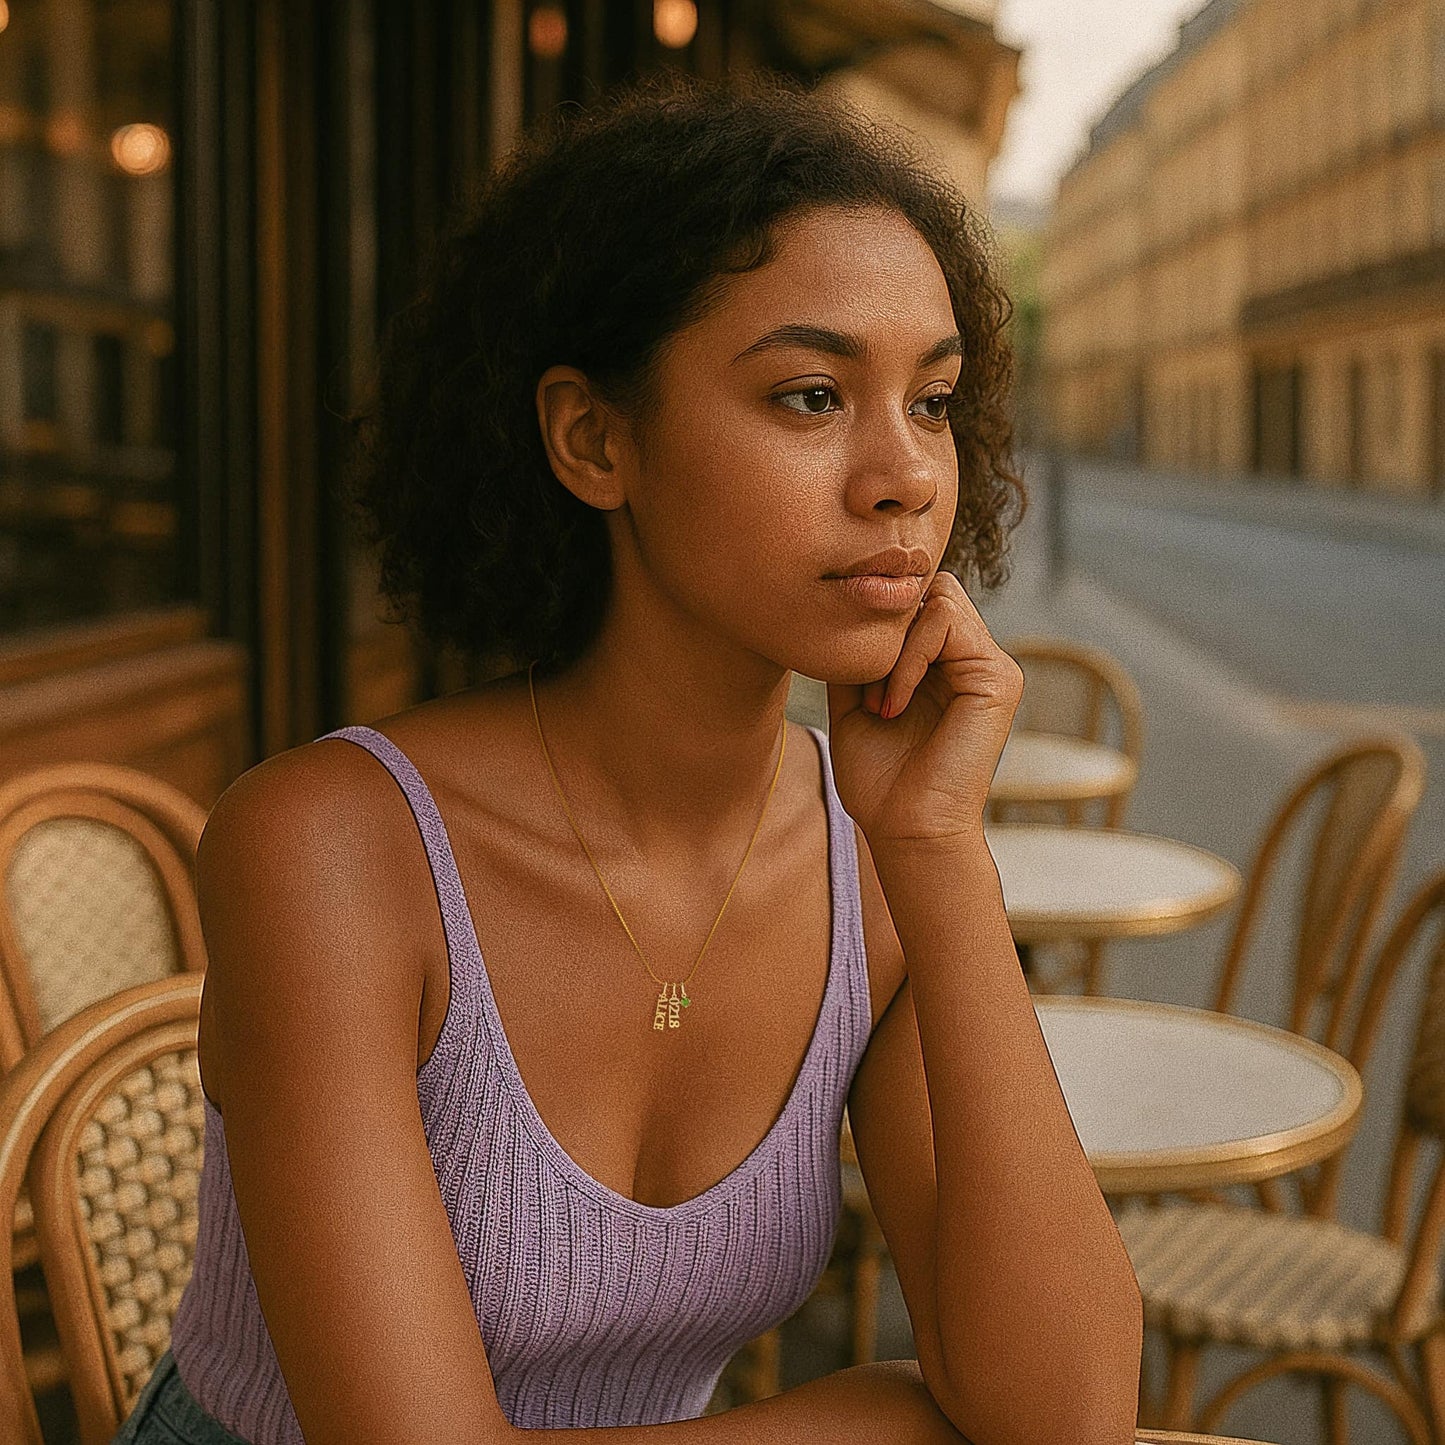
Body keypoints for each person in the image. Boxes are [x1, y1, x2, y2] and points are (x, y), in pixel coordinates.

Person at [113, 70, 1141, 1445]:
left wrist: (938, 853)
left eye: (935, 400)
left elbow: (1063, 1413)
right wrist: (874, 1420)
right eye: (810, 395)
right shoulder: (332, 847)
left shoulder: (875, 865)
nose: (903, 475)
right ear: (593, 439)